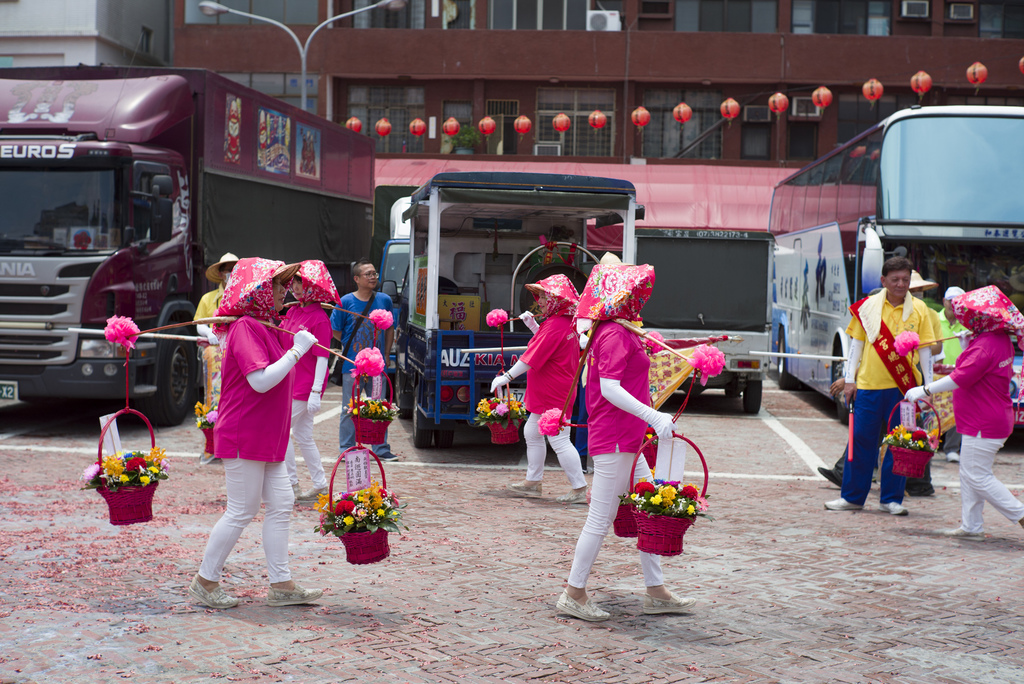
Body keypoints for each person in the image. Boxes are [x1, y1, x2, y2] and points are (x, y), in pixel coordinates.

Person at [556, 262, 694, 622]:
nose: (638, 298)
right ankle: (573, 592)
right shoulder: (615, 332)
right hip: (617, 436)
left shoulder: (620, 329)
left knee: (649, 510)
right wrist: (653, 416)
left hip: (628, 436)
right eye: (632, 292)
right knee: (600, 519)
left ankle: (656, 590)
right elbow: (609, 388)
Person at [188, 257, 323, 610]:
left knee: (282, 504)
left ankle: (282, 584)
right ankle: (205, 580)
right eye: (278, 285)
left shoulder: (267, 325)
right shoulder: (247, 327)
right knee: (241, 510)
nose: (284, 292)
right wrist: (298, 350)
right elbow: (260, 381)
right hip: (244, 433)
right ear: (261, 291)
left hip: (268, 436)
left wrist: (294, 344)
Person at [904, 285, 1024, 540]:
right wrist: (968, 342)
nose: (965, 319)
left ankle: (1019, 513)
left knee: (977, 475)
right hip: (986, 417)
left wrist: (924, 389)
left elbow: (961, 377)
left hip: (984, 420)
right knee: (969, 472)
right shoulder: (997, 339)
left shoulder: (986, 345)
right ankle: (972, 525)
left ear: (984, 319)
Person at [825, 256, 936, 516]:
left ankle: (891, 499)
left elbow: (927, 352)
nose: (900, 284)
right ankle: (852, 497)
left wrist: (929, 388)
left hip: (905, 391)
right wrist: (850, 380)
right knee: (861, 442)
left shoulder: (920, 310)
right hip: (867, 387)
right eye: (895, 279)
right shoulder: (867, 308)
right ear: (883, 280)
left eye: (905, 280)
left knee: (901, 445)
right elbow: (856, 346)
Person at [491, 275, 588, 504]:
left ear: (556, 300)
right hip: (554, 389)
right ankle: (533, 482)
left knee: (559, 439)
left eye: (544, 297)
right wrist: (534, 326)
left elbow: (531, 357)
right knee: (532, 433)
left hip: (554, 392)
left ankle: (579, 488)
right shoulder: (564, 321)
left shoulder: (556, 324)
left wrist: (506, 376)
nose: (540, 302)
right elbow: (549, 349)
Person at [281, 261, 339, 503]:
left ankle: (292, 485)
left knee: (281, 431)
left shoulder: (320, 319)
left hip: (304, 386)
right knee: (303, 436)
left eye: (300, 283)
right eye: (294, 282)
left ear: (313, 289)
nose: (295, 287)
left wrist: (316, 390)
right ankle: (320, 484)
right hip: (291, 382)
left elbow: (322, 358)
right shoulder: (293, 311)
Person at [331, 259, 397, 461]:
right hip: (353, 366)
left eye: (374, 273)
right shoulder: (345, 302)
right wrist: (353, 350)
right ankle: (347, 448)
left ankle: (381, 449)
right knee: (349, 408)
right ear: (356, 279)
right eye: (368, 274)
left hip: (377, 367)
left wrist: (385, 354)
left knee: (379, 407)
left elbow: (390, 328)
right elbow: (335, 330)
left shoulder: (384, 300)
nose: (373, 277)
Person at [194, 252, 238, 466]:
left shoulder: (243, 297)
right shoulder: (208, 299)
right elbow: (199, 322)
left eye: (234, 268)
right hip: (215, 355)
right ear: (220, 273)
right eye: (227, 269)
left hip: (238, 352)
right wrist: (209, 333)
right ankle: (213, 445)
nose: (230, 273)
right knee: (214, 395)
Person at [935, 286, 969, 463]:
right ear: (944, 301)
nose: (953, 305)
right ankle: (929, 444)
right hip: (936, 373)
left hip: (959, 373)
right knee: (933, 411)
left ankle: (952, 448)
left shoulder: (968, 323)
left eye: (958, 302)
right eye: (950, 301)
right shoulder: (934, 319)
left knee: (956, 410)